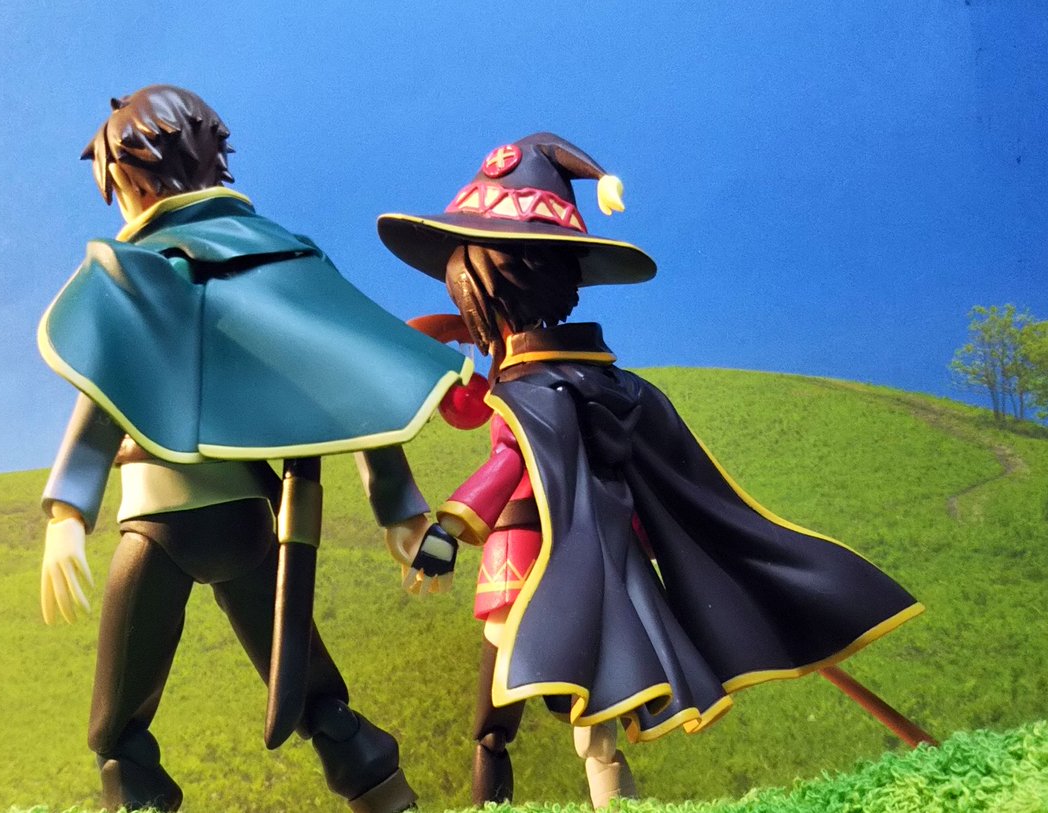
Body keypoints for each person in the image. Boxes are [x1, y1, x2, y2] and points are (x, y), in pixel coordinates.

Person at [377, 133, 924, 807]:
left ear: (487, 292)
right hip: (604, 562)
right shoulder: (608, 383)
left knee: (511, 710)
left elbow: (507, 461)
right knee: (577, 708)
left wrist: (444, 534)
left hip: (526, 558)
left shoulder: (536, 390)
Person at [38, 85, 467, 813]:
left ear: (133, 181)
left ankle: (140, 794)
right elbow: (348, 376)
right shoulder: (284, 256)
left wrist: (67, 513)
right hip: (247, 522)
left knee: (118, 729)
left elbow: (103, 399)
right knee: (314, 698)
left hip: (158, 526)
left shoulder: (133, 274)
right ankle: (383, 793)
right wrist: (399, 507)